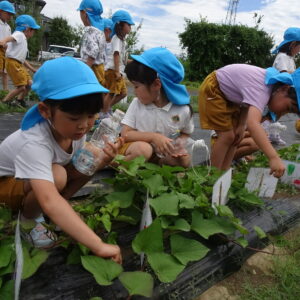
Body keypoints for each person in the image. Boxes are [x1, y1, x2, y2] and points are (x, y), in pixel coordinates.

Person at [0, 57, 122, 263]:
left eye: (91, 116)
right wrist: (98, 244)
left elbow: (84, 161)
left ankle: (61, 209)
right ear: (45, 111)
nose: (84, 126)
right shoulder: (34, 141)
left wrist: (107, 158)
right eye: (74, 118)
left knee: (92, 155)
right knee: (57, 175)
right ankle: (28, 221)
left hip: (29, 185)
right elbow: (48, 199)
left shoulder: (75, 130)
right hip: (5, 187)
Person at [198, 64, 300, 178]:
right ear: (284, 88)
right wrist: (273, 157)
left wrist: (241, 125)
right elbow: (253, 124)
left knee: (236, 137)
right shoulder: (263, 90)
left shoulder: (269, 88)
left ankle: (223, 173)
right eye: (288, 108)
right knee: (227, 136)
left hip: (230, 97)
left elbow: (246, 104)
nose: (282, 113)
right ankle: (211, 176)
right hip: (215, 89)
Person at [120, 47, 194, 168]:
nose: (134, 92)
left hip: (160, 155)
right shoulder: (137, 104)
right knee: (144, 149)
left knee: (184, 160)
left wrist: (179, 143)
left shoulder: (183, 110)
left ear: (156, 84)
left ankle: (156, 166)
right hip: (136, 150)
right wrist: (154, 137)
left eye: (136, 86)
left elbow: (186, 133)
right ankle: (116, 163)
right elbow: (125, 134)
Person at [0, 15, 39, 107]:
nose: (34, 33)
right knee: (21, 87)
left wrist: (32, 69)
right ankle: (4, 102)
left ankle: (19, 100)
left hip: (18, 63)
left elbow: (22, 59)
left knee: (29, 83)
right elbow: (11, 37)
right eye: (33, 30)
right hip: (13, 63)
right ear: (27, 29)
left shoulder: (22, 38)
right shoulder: (19, 34)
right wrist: (4, 40)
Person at [103, 10, 134, 115]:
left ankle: (107, 108)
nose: (130, 27)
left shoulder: (122, 40)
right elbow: (116, 55)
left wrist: (134, 61)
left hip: (118, 71)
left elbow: (123, 59)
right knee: (111, 93)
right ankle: (103, 113)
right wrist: (117, 72)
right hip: (113, 71)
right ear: (120, 24)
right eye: (128, 24)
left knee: (123, 93)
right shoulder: (116, 39)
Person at [272, 27, 300, 138]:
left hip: (284, 90)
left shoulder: (290, 59)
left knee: (276, 114)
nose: (299, 51)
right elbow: (284, 74)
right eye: (299, 47)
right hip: (277, 91)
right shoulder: (282, 57)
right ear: (293, 44)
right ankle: (264, 133)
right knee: (272, 113)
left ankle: (273, 135)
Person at [78, 0, 106, 86]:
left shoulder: (90, 31)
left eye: (80, 13)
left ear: (85, 14)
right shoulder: (100, 31)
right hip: (99, 68)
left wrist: (85, 71)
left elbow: (93, 51)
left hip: (92, 69)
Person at [0, 1, 15, 91]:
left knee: (5, 72)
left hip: (5, 51)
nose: (10, 16)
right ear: (0, 11)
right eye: (8, 13)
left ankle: (5, 91)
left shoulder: (8, 27)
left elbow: (9, 39)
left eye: (11, 14)